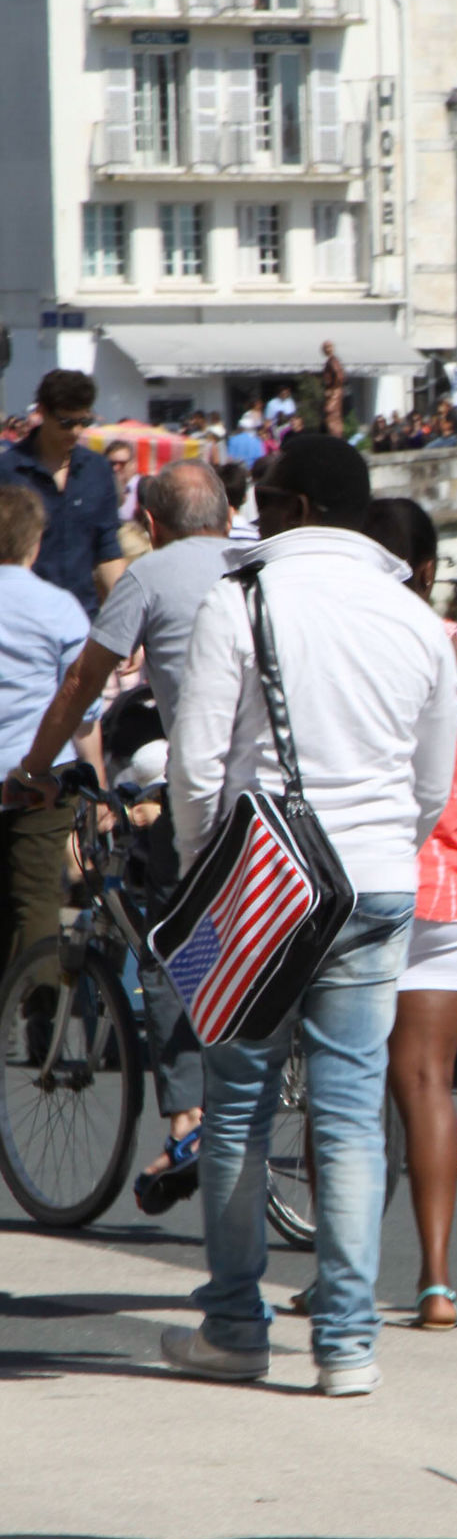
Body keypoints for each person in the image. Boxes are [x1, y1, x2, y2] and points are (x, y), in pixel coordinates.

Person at [159, 436, 457, 1395]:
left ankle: (237, 1325)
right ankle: (346, 1346)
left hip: (261, 882)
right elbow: (431, 785)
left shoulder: (240, 599)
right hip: (376, 882)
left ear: (286, 504)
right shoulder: (415, 616)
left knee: (239, 1108)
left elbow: (198, 767)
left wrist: (202, 871)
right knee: (349, 1115)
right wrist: (377, 851)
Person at [7, 461, 232, 1205]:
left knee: (167, 946)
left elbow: (82, 683)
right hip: (279, 797)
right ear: (227, 517)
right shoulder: (256, 560)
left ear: (156, 527)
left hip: (197, 790)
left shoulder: (150, 574)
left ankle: (189, 1120)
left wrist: (39, 764)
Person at [364, 497, 457, 1330]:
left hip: (357, 882)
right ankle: (438, 1281)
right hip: (451, 886)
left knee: (346, 1087)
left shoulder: (347, 641)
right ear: (428, 568)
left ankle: (342, 1273)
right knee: (428, 1085)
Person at [0, 489, 98, 975]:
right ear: (34, 542)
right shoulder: (58, 607)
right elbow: (84, 702)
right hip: (37, 774)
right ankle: (42, 1021)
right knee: (36, 896)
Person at [0, 369, 124, 615]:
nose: (76, 431)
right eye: (66, 423)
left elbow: (108, 552)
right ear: (42, 412)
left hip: (82, 616)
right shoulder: (7, 470)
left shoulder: (97, 470)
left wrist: (125, 619)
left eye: (84, 422)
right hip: (20, 617)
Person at [104, 437, 140, 522]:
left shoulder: (142, 489)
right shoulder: (101, 489)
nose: (115, 468)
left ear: (133, 464)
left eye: (122, 463)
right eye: (111, 464)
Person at [320, 341, 347, 440]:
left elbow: (339, 376)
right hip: (334, 391)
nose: (327, 350)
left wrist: (332, 389)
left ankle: (335, 438)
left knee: (332, 415)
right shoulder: (330, 361)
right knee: (331, 416)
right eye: (325, 348)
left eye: (329, 347)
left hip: (334, 392)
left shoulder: (333, 361)